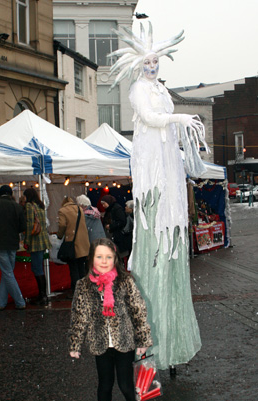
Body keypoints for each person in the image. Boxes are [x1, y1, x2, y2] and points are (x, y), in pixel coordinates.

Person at [108, 22, 209, 370]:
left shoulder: (162, 90)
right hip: (151, 167)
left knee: (171, 238)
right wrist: (179, 117)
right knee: (155, 238)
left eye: (156, 62)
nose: (152, 67)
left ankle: (172, 340)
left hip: (168, 169)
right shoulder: (139, 89)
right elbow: (151, 119)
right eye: (147, 62)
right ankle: (149, 344)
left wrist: (182, 126)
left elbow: (164, 117)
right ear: (139, 65)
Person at [68, 237, 152, 401]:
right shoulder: (83, 286)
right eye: (99, 256)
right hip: (100, 343)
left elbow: (138, 311)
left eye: (108, 256)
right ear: (91, 259)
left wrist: (143, 339)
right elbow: (79, 316)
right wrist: (75, 343)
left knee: (125, 384)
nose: (104, 261)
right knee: (105, 383)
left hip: (124, 341)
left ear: (115, 259)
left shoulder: (125, 282)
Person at [0, 185, 26, 310]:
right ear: (10, 194)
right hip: (13, 244)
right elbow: (22, 227)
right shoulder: (17, 207)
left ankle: (20, 301)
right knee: (8, 273)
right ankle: (1, 303)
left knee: (7, 273)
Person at [57, 196, 89, 295]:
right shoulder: (79, 209)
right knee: (81, 268)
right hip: (83, 243)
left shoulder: (62, 211)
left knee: (73, 269)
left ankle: (76, 292)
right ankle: (84, 290)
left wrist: (59, 235)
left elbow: (62, 225)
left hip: (72, 243)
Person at [23, 188, 51, 305]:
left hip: (35, 241)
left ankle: (42, 295)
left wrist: (27, 241)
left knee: (37, 268)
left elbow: (30, 225)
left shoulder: (29, 206)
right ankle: (43, 295)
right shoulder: (40, 205)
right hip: (42, 239)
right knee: (39, 267)